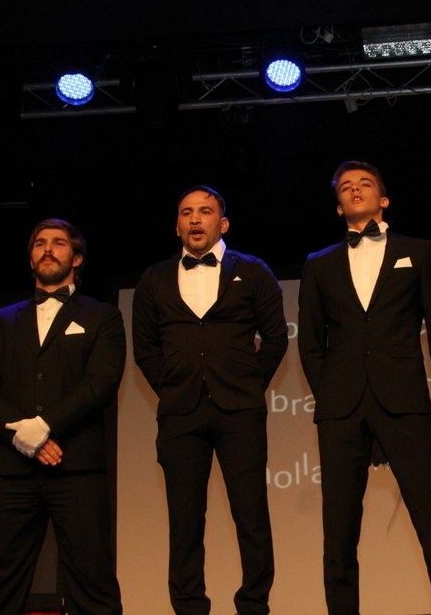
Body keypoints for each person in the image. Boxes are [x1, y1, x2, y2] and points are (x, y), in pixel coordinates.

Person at [297, 161, 431, 615]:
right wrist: (332, 397)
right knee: (339, 537)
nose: (356, 190)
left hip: (404, 402)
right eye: (346, 188)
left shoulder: (418, 251)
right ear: (339, 207)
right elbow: (311, 345)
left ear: (384, 198)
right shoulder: (318, 264)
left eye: (365, 184)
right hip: (341, 412)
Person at [132, 185, 288, 615]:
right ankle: (189, 607)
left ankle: (253, 605)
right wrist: (172, 386)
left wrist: (250, 382)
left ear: (223, 223)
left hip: (240, 411)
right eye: (186, 213)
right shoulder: (154, 278)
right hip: (180, 414)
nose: (195, 219)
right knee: (184, 521)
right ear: (177, 226)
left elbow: (276, 338)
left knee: (251, 516)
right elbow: (145, 348)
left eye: (204, 211)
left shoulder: (253, 271)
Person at [0, 218, 124, 615]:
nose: (48, 249)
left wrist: (43, 426)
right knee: (0, 585)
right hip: (11, 471)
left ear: (77, 258)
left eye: (58, 242)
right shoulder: (0, 321)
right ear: (31, 258)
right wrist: (23, 434)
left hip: (77, 468)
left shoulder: (103, 317)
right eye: (40, 243)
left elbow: (100, 384)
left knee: (93, 582)